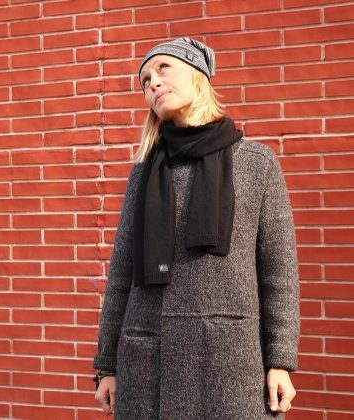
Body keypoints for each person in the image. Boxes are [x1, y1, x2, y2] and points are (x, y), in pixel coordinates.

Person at [93, 37, 300, 419]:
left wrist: (280, 361)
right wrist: (107, 365)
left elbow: (279, 270)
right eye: (145, 80)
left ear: (197, 74)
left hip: (230, 362)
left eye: (163, 69)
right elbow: (121, 272)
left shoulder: (256, 163)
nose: (153, 83)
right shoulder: (144, 174)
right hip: (147, 362)